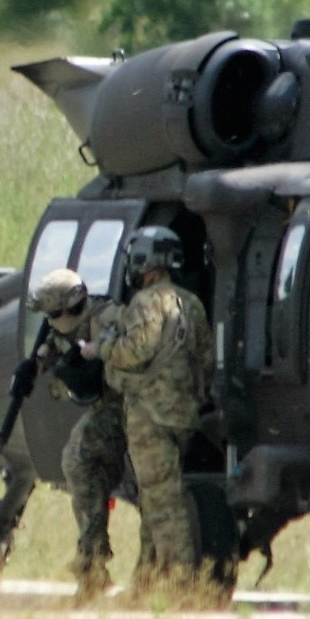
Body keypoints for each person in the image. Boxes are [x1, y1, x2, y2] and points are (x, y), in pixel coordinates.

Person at [90, 226, 213, 599]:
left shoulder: (146, 303)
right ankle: (145, 584)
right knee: (153, 498)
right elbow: (206, 360)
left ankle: (182, 586)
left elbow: (136, 351)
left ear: (145, 262)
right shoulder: (191, 304)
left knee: (164, 505)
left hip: (150, 417)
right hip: (182, 416)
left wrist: (104, 348)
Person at [26, 268, 127, 603]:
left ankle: (94, 562)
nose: (52, 322)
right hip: (118, 408)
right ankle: (92, 562)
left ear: (65, 310)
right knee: (81, 464)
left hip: (132, 406)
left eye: (53, 314)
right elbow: (56, 349)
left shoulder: (109, 319)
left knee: (79, 458)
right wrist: (35, 366)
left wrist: (74, 363)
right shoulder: (76, 325)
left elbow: (96, 369)